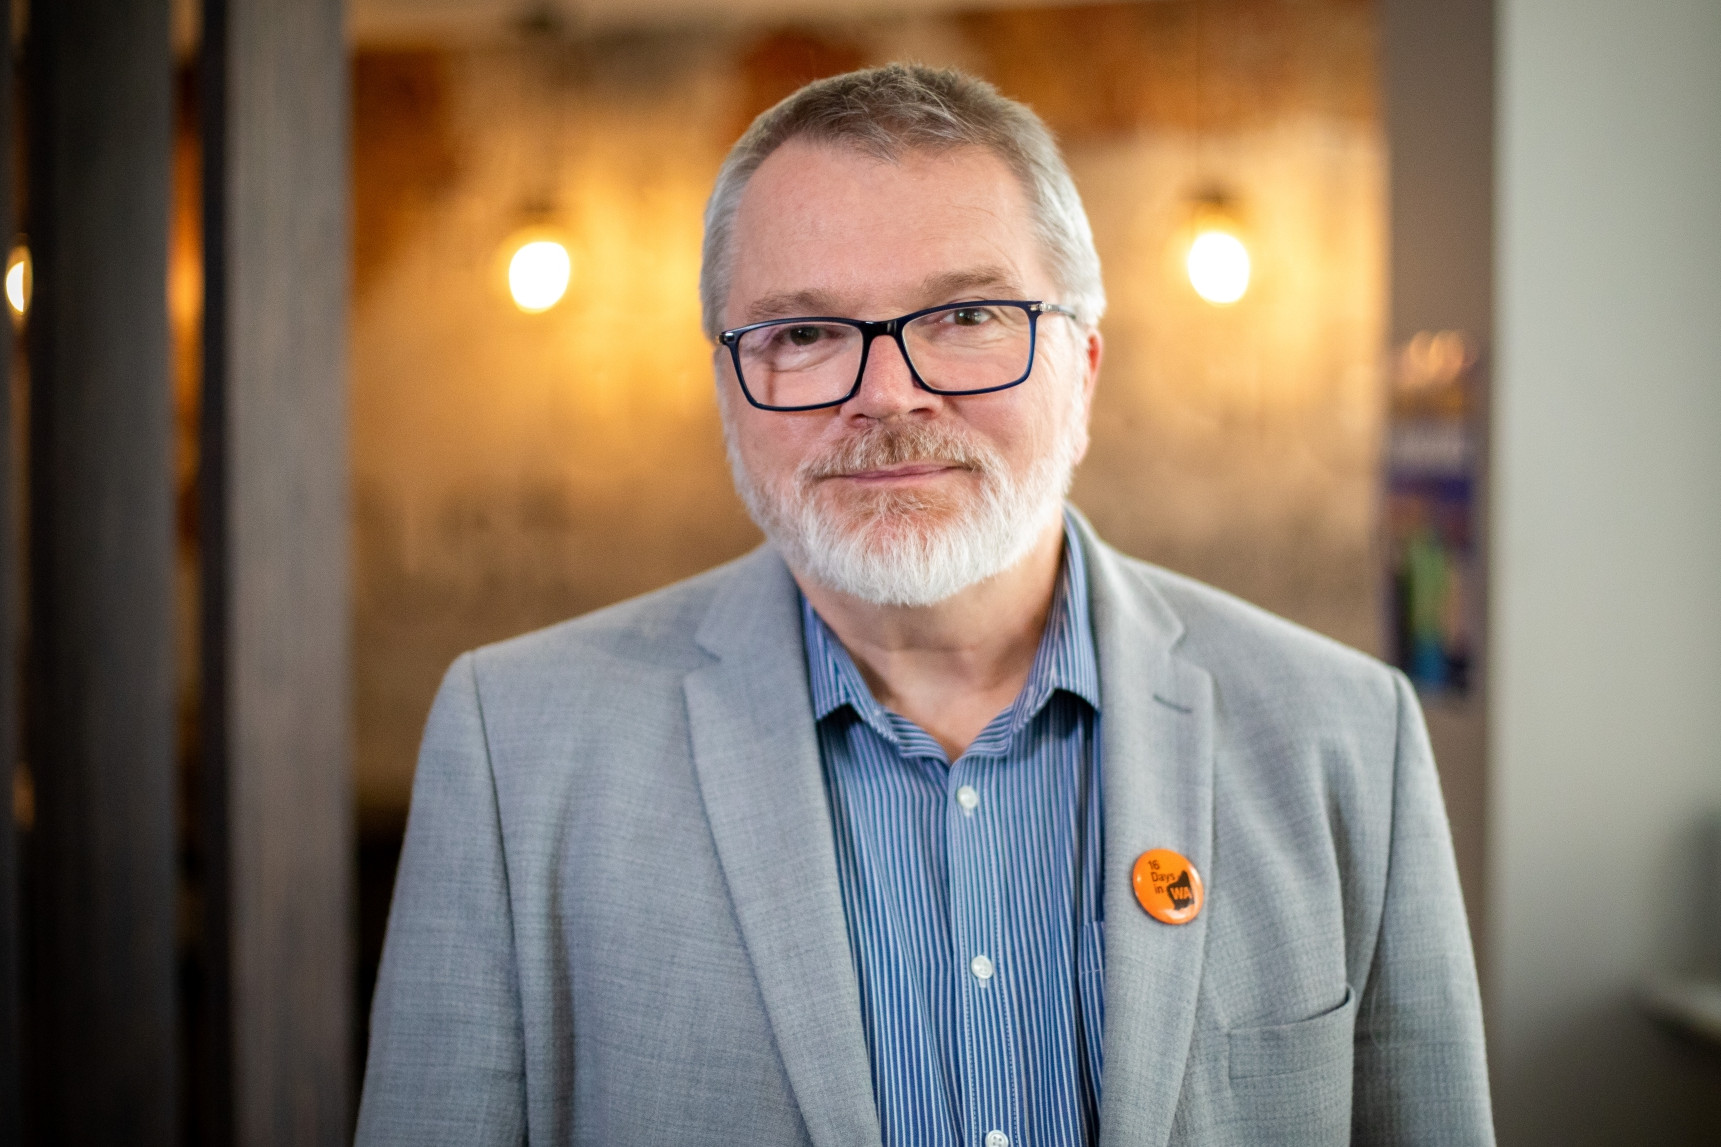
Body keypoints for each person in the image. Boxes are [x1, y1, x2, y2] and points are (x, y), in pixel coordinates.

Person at [356, 64, 1493, 1147]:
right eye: (802, 333)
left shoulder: (1346, 738)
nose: (886, 392)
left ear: (1082, 368)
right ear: (726, 392)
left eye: (964, 318)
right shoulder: (517, 743)